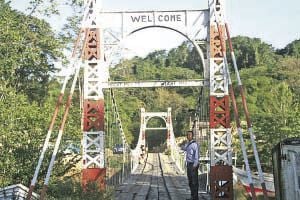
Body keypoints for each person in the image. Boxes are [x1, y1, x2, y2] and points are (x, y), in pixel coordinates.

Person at [183, 131, 199, 200]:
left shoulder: (194, 144)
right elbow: (184, 148)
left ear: (192, 136)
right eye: (187, 135)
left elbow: (197, 155)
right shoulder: (188, 144)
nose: (188, 136)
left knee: (194, 182)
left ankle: (195, 197)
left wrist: (195, 165)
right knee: (190, 181)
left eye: (189, 135)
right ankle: (192, 196)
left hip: (193, 165)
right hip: (188, 164)